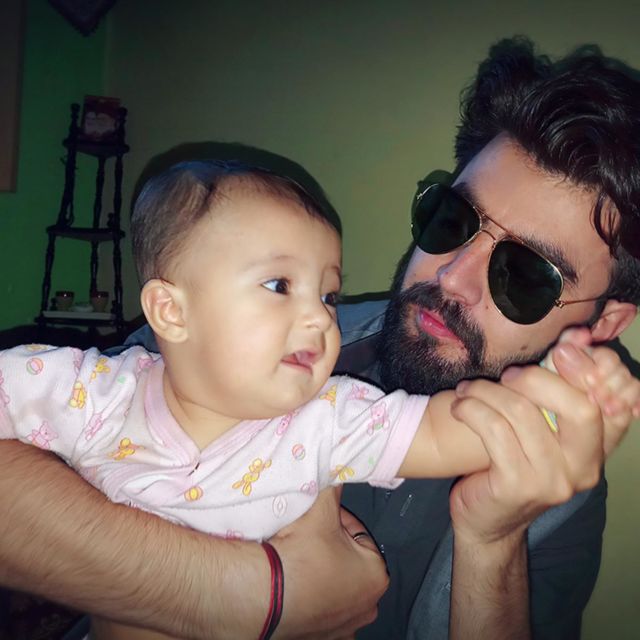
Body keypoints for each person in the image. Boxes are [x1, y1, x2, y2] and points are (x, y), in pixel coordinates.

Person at [1, 35, 639, 640]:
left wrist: (493, 540)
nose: (451, 276)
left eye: (526, 274)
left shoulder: (556, 492)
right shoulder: (248, 333)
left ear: (605, 324)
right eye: (454, 219)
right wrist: (258, 598)